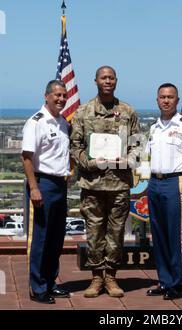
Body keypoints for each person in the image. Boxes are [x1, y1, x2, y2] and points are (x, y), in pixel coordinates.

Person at [70, 66, 141, 298]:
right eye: (104, 78)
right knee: (93, 233)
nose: (107, 81)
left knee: (117, 232)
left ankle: (111, 277)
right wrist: (91, 164)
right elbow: (76, 148)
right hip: (92, 184)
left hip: (119, 184)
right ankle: (95, 278)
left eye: (111, 78)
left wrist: (127, 160)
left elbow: (138, 147)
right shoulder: (83, 112)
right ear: (96, 81)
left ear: (116, 81)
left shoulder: (128, 112)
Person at [146, 83, 182, 300]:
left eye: (170, 97)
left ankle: (178, 284)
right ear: (157, 100)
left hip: (175, 184)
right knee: (159, 235)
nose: (166, 100)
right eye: (162, 97)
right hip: (154, 184)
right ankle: (164, 281)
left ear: (177, 100)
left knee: (176, 236)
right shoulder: (153, 128)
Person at [21, 80, 71, 304]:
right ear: (46, 96)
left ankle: (51, 282)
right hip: (42, 184)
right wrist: (34, 188)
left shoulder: (62, 122)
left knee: (55, 238)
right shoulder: (36, 122)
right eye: (57, 95)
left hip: (60, 184)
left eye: (64, 95)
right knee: (40, 239)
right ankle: (38, 287)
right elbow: (26, 157)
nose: (61, 99)